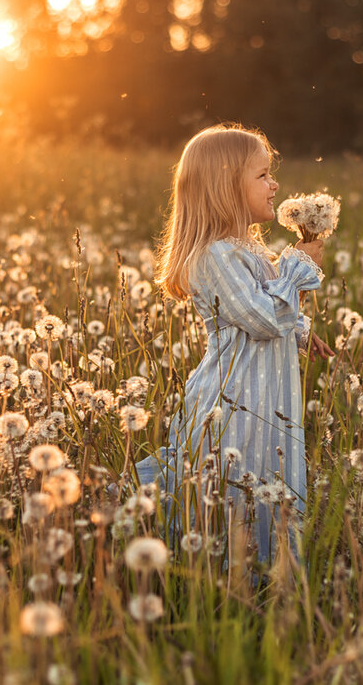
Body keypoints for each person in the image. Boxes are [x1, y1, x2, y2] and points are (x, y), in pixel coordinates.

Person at [136, 123, 333, 564]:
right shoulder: (215, 255)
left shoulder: (251, 252)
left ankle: (262, 570)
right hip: (236, 400)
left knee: (266, 477)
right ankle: (231, 572)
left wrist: (301, 330)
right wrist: (299, 264)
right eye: (262, 175)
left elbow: (267, 311)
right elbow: (261, 318)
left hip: (266, 397)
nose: (274, 184)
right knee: (237, 484)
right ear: (226, 187)